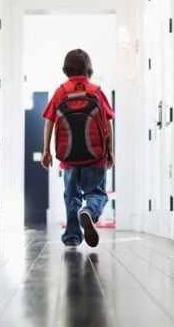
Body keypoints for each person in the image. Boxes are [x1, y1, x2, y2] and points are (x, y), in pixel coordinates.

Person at [41, 49, 115, 249]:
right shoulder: (96, 91)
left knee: (71, 195)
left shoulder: (61, 92)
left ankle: (73, 238)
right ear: (88, 68)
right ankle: (89, 212)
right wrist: (110, 151)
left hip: (69, 157)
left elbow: (49, 122)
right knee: (97, 193)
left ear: (66, 68)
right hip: (95, 156)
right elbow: (108, 124)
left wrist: (46, 151)